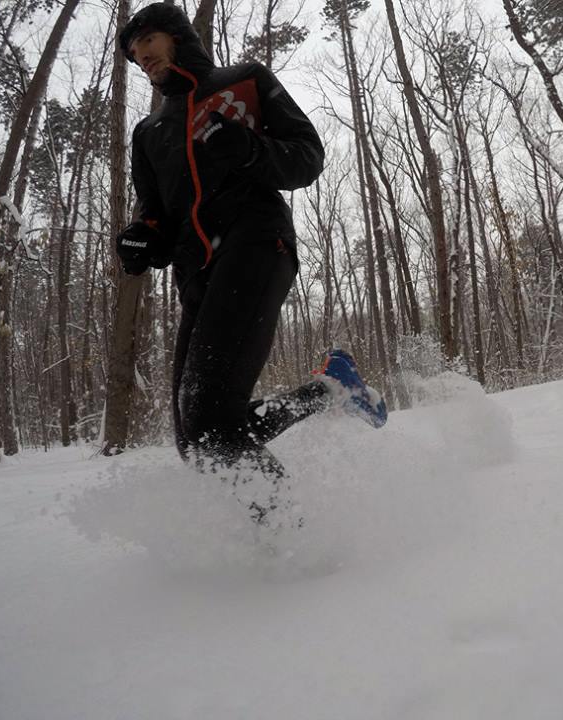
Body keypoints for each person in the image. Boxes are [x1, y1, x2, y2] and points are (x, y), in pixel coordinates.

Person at [115, 3, 386, 524]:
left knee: (210, 420)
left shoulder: (244, 81)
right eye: (133, 52)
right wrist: (141, 241)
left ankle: (290, 538)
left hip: (257, 244)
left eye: (147, 40)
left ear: (176, 35)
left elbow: (307, 157)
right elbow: (156, 220)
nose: (141, 55)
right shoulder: (149, 133)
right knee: (197, 441)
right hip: (195, 277)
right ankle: (331, 389)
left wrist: (248, 149)